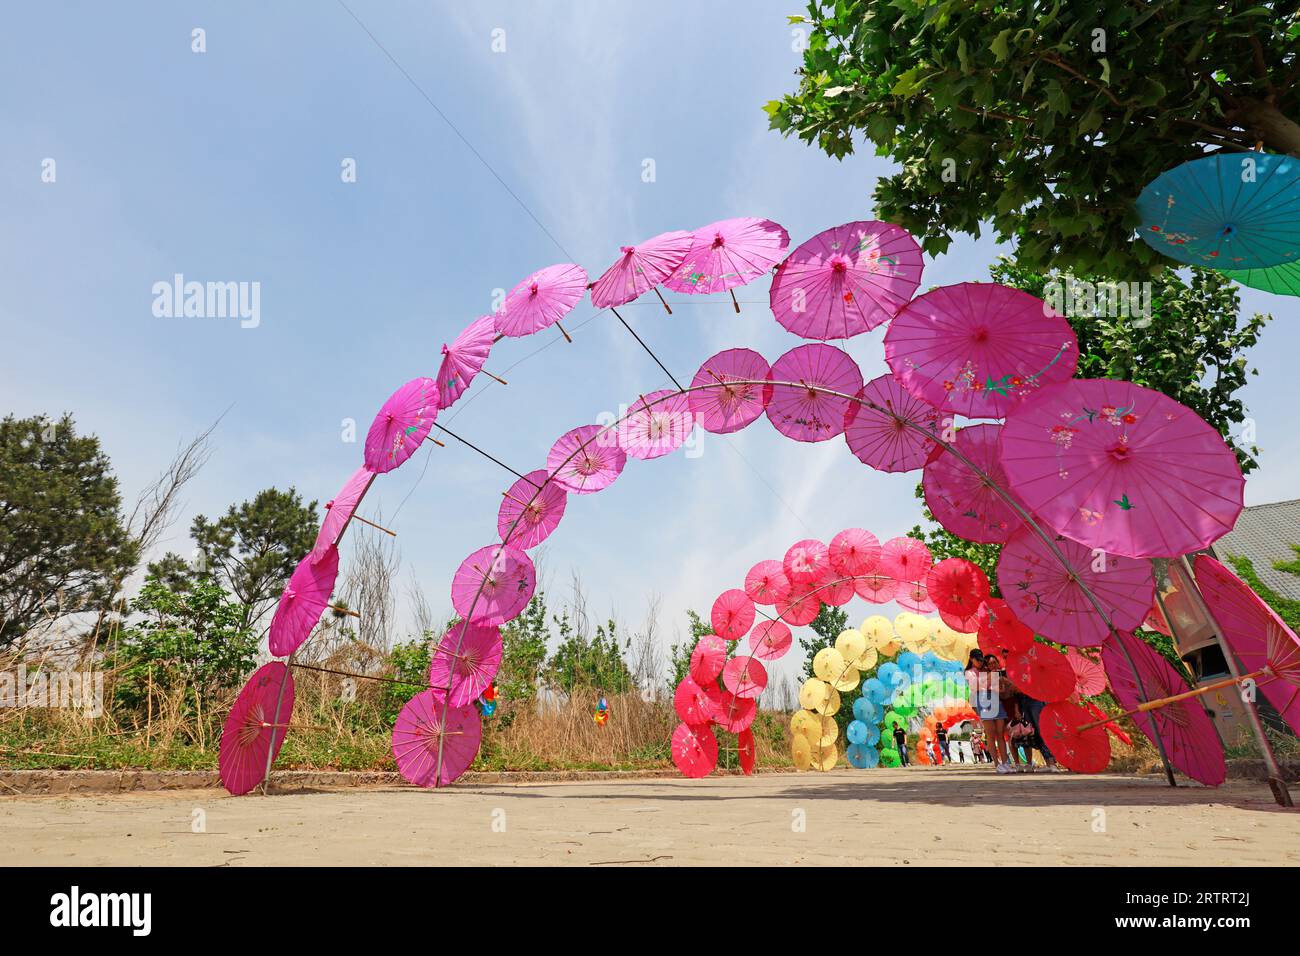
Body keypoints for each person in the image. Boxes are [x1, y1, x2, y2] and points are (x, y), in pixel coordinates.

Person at [976, 653, 1014, 774]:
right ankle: (997, 764)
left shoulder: (999, 674)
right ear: (986, 665)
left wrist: (1004, 683)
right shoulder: (982, 674)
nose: (993, 665)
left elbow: (1001, 691)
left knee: (1000, 734)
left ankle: (1005, 763)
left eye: (994, 662)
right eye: (990, 663)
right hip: (985, 703)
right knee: (991, 735)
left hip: (997, 703)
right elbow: (980, 687)